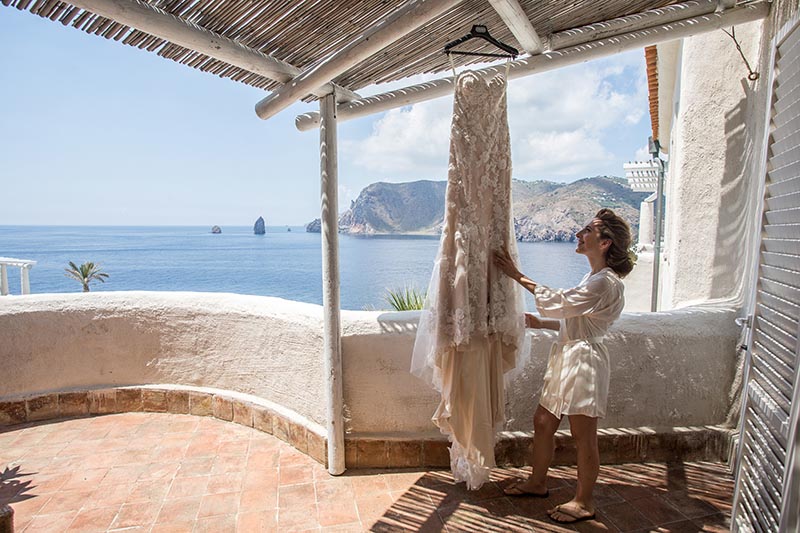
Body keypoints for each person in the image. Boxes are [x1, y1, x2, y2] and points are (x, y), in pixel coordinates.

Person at [493, 208, 634, 524]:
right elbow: (577, 320)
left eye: (587, 230)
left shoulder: (606, 283)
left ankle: (584, 502)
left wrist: (516, 274)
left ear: (605, 242)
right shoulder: (593, 278)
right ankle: (538, 482)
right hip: (569, 356)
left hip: (584, 363)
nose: (578, 234)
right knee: (543, 421)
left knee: (584, 435)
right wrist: (541, 322)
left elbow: (563, 300)